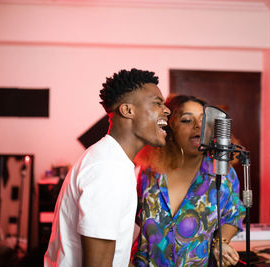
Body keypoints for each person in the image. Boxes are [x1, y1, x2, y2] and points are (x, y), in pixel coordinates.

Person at [44, 68, 171, 267]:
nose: (167, 110)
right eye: (157, 103)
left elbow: (113, 256)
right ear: (128, 110)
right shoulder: (108, 169)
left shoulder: (113, 161)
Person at [132, 94, 246, 266]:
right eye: (186, 120)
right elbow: (132, 216)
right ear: (170, 128)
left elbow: (233, 215)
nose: (198, 126)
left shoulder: (222, 172)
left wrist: (220, 243)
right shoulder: (148, 171)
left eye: (203, 120)